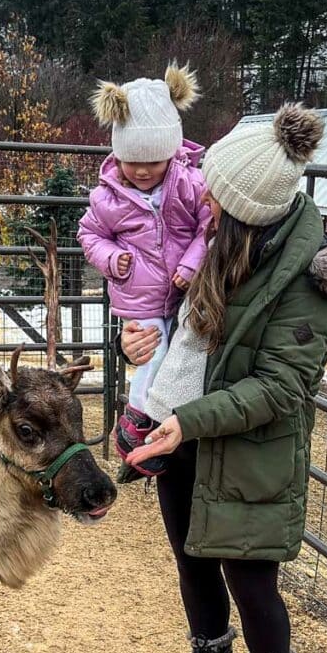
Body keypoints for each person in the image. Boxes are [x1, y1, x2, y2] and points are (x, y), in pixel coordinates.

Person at [120, 103, 327, 653]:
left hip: (251, 447)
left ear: (244, 209)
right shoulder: (211, 246)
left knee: (252, 582)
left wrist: (187, 422)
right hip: (186, 432)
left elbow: (280, 387)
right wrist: (142, 346)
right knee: (191, 561)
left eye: (214, 193)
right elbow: (179, 337)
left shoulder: (311, 280)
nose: (199, 196)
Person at [77, 63, 211, 479]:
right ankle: (138, 419)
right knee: (152, 354)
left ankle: (160, 423)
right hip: (141, 297)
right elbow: (89, 234)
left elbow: (209, 227)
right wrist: (112, 259)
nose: (140, 171)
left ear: (171, 151)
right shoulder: (108, 197)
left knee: (183, 357)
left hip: (186, 291)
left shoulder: (190, 184)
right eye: (130, 160)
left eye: (152, 160)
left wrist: (191, 264)